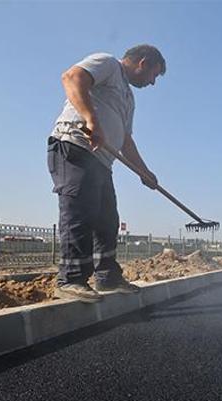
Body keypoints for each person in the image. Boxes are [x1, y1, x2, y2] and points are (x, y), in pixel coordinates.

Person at [47, 44, 165, 303]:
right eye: (153, 75)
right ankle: (70, 280)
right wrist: (91, 119)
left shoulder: (128, 98)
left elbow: (125, 141)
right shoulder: (108, 64)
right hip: (75, 146)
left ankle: (107, 279)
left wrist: (144, 172)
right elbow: (71, 77)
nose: (153, 82)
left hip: (101, 162)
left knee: (107, 220)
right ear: (142, 63)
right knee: (79, 213)